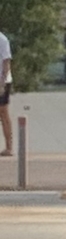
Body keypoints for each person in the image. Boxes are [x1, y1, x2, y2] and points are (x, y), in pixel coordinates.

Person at [0, 25, 13, 156]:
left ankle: (9, 146)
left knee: (3, 112)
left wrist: (2, 83)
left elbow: (6, 62)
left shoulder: (2, 40)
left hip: (2, 80)